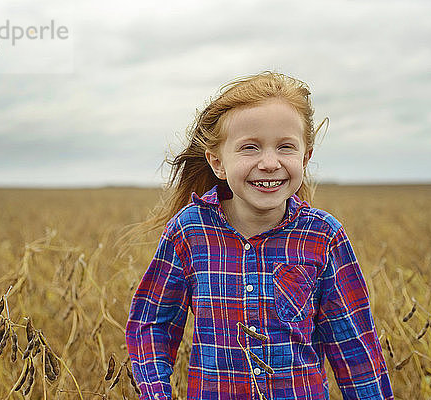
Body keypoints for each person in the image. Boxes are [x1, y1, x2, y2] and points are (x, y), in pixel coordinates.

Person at [125, 71, 393, 400]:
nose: (269, 163)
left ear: (304, 158)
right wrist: (156, 394)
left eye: (285, 147)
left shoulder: (323, 236)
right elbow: (153, 324)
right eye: (250, 148)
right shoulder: (190, 231)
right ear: (218, 162)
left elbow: (356, 352)